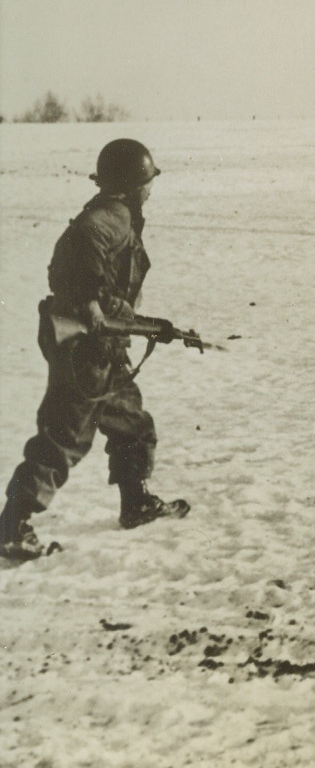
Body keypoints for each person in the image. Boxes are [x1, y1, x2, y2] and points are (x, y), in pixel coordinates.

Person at [1, 139, 189, 562]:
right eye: (147, 180)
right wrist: (89, 302)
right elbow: (80, 254)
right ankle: (11, 524)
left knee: (129, 420)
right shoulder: (110, 217)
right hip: (86, 347)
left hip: (100, 345)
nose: (150, 188)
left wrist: (121, 315)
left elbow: (90, 273)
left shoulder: (113, 214)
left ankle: (135, 501)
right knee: (66, 435)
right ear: (131, 185)